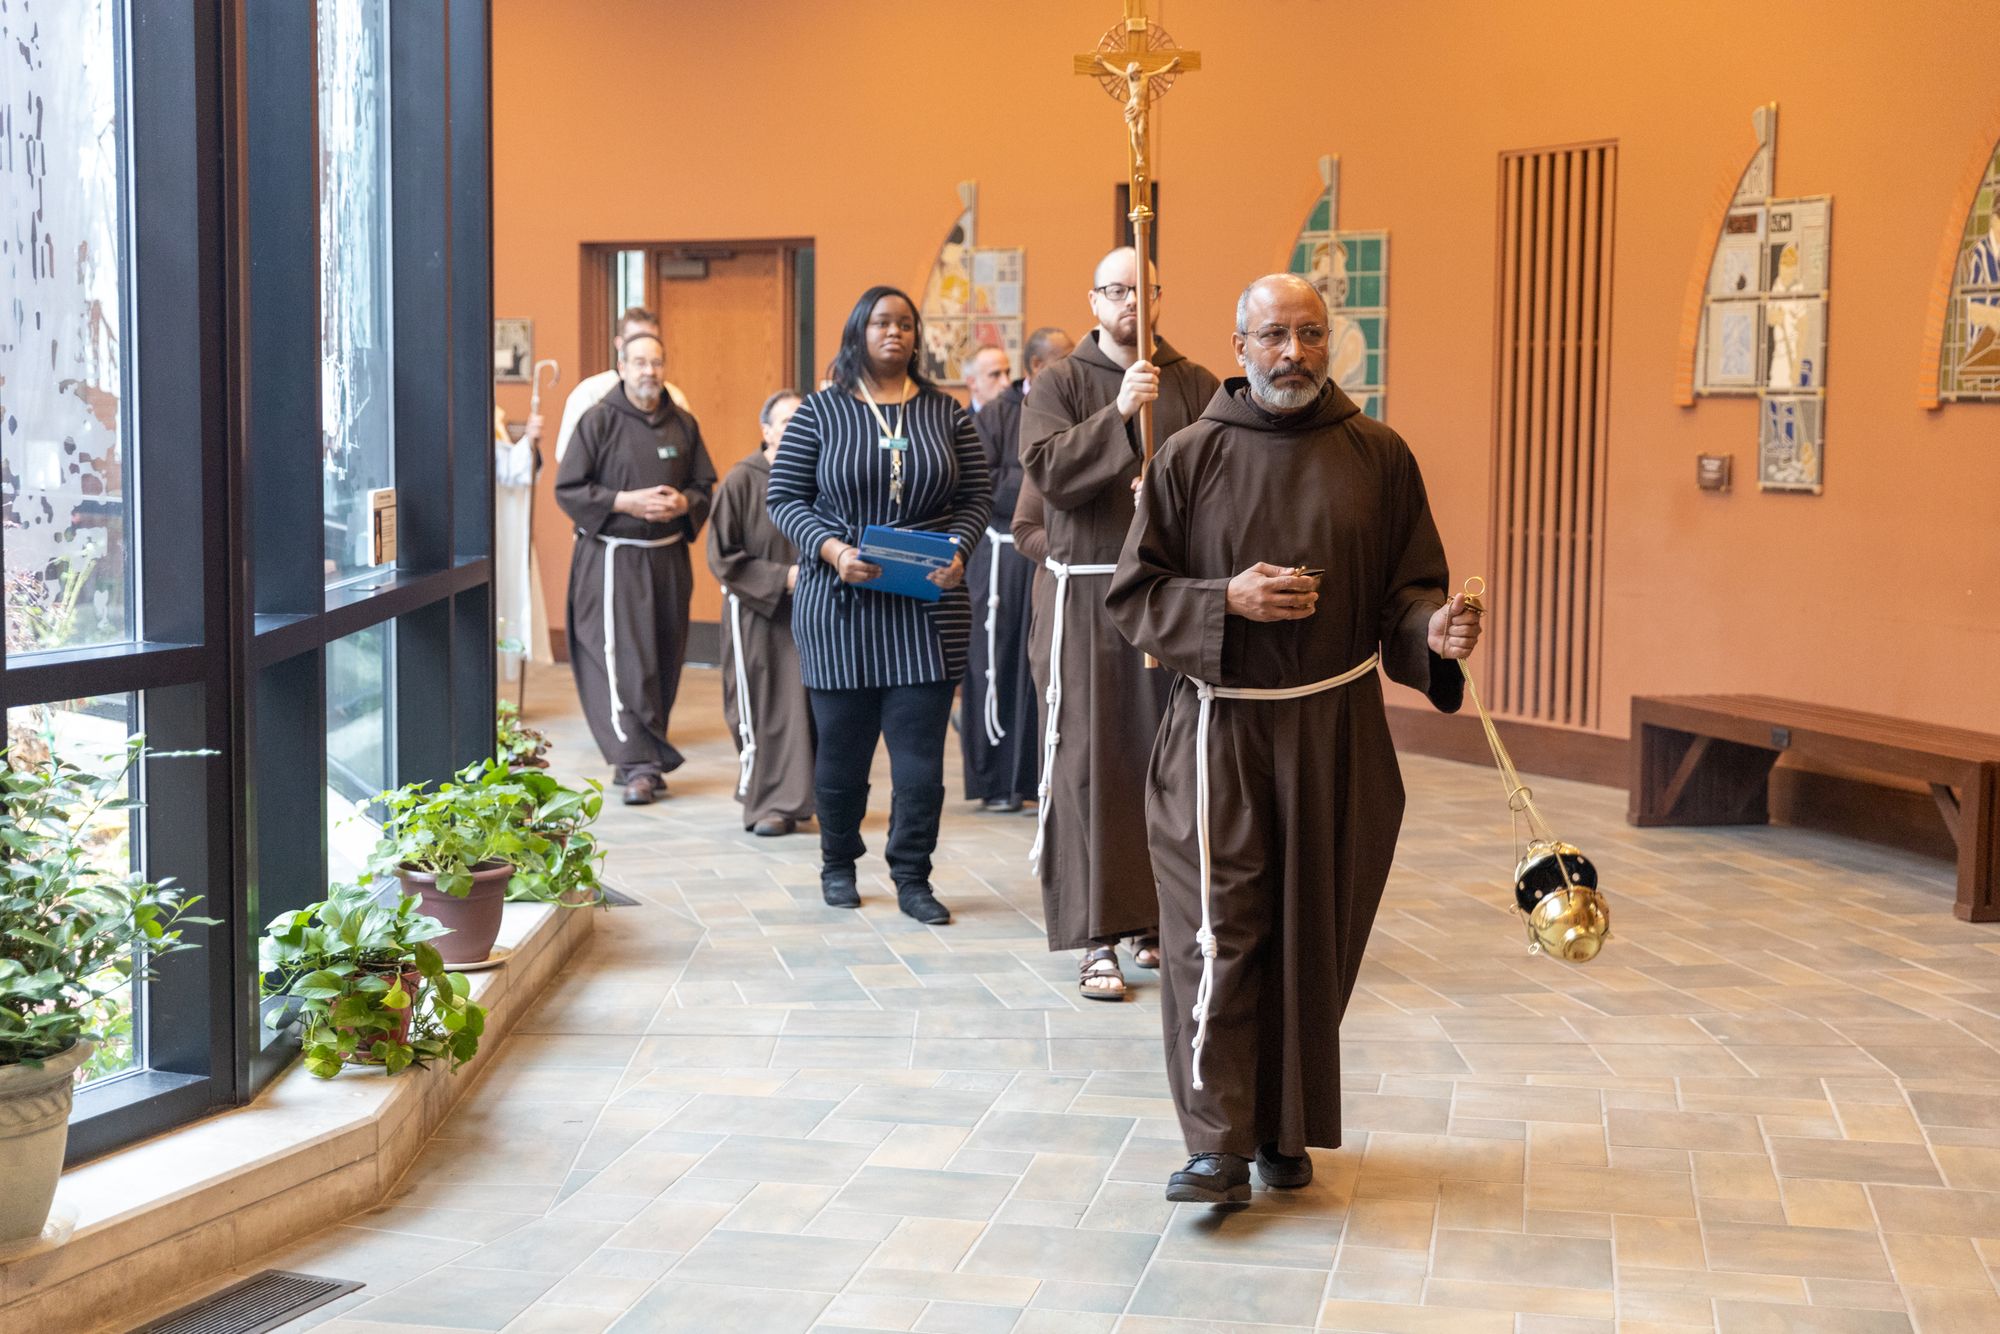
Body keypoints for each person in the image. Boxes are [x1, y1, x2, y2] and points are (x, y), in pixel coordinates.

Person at [1106, 273, 1483, 1204]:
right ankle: (1216, 1143)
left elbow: (1407, 588)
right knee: (1218, 932)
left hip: (1334, 728)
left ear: (1330, 342)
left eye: (1310, 333)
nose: (1294, 353)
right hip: (1220, 731)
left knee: (1315, 933)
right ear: (1239, 348)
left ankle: (1281, 1124)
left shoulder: (1379, 456)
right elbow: (1134, 597)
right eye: (1273, 335)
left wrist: (1429, 631)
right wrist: (1220, 600)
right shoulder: (1191, 457)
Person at [1019, 246, 1219, 1001]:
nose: (1131, 302)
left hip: (1166, 600)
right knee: (1088, 767)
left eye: (1143, 290)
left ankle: (1153, 921)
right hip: (1088, 605)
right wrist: (1119, 417)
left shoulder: (1195, 381)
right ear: (1094, 300)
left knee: (1164, 767)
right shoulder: (1062, 381)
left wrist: (1162, 492)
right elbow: (1047, 474)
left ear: (1160, 298)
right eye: (1116, 290)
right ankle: (1093, 937)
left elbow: (1221, 477)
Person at [766, 286, 993, 925]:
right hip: (841, 603)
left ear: (917, 337)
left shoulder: (946, 414)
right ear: (857, 332)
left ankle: (912, 877)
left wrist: (959, 551)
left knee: (920, 763)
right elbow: (783, 497)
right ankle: (838, 864)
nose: (894, 332)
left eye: (905, 324)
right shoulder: (820, 411)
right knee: (842, 753)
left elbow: (978, 495)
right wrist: (833, 550)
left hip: (927, 606)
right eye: (881, 323)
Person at [555, 331, 716, 805]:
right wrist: (625, 501)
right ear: (621, 366)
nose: (649, 371)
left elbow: (705, 482)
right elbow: (568, 489)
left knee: (663, 658)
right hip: (614, 559)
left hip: (668, 556)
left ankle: (646, 755)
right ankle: (636, 765)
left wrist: (684, 501)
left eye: (657, 362)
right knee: (621, 663)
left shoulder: (683, 423)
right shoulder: (598, 420)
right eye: (639, 362)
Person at [962, 328, 1073, 814]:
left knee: (1044, 666)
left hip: (1059, 557)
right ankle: (998, 782)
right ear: (1037, 369)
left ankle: (1035, 778)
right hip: (1003, 558)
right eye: (1062, 361)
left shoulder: (1074, 407)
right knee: (999, 662)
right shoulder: (997, 415)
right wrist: (1042, 480)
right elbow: (978, 483)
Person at [707, 389, 815, 837]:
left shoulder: (817, 478)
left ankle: (796, 801)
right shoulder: (742, 479)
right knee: (761, 709)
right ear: (766, 431)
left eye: (803, 423)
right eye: (788, 422)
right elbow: (723, 556)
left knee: (803, 710)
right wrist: (781, 579)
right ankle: (765, 803)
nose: (796, 431)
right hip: (756, 612)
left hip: (808, 614)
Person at [553, 306, 692, 464]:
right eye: (636, 340)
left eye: (651, 340)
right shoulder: (589, 393)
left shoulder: (674, 398)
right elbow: (568, 459)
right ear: (619, 344)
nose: (645, 348)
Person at [963, 344, 1011, 415]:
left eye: (1007, 373)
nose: (1006, 383)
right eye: (995, 374)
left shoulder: (1020, 419)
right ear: (972, 382)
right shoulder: (961, 424)